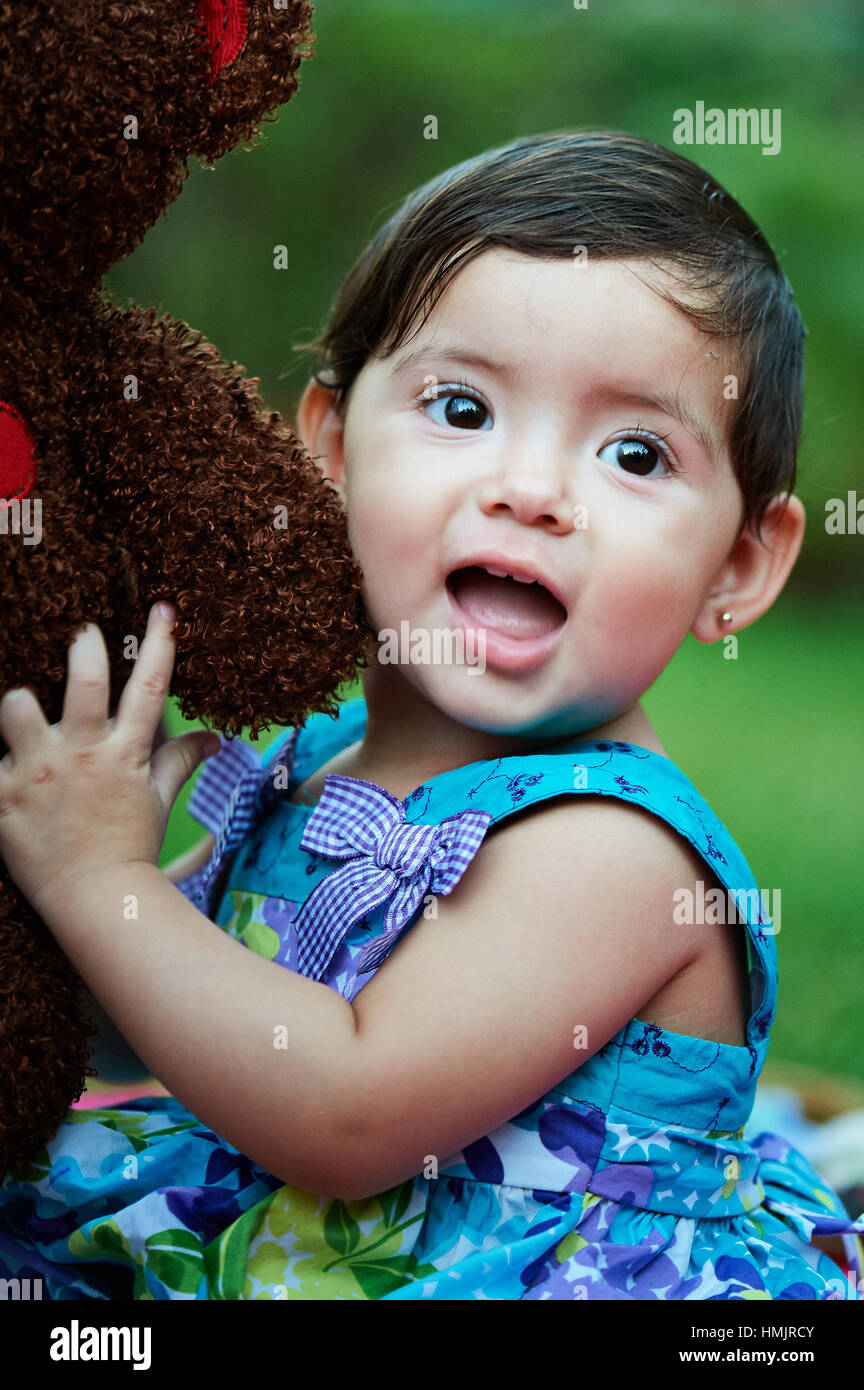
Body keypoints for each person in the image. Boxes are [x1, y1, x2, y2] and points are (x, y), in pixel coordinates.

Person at [1, 130, 862, 1301]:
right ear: (330, 451)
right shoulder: (301, 765)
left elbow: (346, 1120)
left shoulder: (611, 852)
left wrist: (105, 887)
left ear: (740, 568)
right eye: (462, 407)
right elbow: (164, 1041)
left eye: (633, 451)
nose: (531, 490)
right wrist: (107, 888)